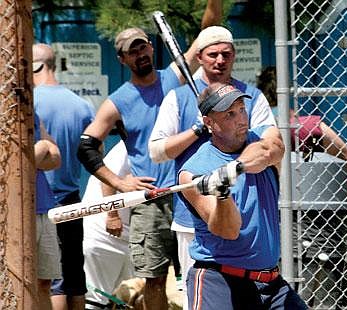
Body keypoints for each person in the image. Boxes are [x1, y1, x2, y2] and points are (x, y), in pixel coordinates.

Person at [77, 2, 222, 309]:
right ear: (122, 59)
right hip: (151, 201)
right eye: (132, 51)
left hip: (190, 192)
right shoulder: (117, 101)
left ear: (152, 49)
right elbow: (87, 147)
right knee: (153, 279)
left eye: (143, 47)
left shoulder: (175, 77)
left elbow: (207, 34)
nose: (140, 54)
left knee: (202, 271)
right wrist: (118, 182)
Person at [148, 26, 276, 306]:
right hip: (194, 210)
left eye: (226, 54)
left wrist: (232, 170)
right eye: (213, 54)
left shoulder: (250, 97)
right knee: (199, 295)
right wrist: (196, 130)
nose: (220, 60)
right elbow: (156, 151)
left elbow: (270, 145)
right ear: (200, 57)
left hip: (248, 210)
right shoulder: (179, 98)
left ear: (234, 56)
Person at [178, 82, 307, 309]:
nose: (241, 119)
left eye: (241, 109)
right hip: (220, 283)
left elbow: (273, 149)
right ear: (209, 123)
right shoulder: (193, 172)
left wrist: (234, 168)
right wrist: (222, 192)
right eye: (229, 114)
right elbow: (228, 230)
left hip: (272, 285)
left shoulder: (257, 140)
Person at [257, 66, 347, 308]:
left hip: (292, 211)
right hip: (334, 207)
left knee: (300, 270)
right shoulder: (306, 125)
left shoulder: (261, 129)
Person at [33, 43, 95, 310]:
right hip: (72, 198)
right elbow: (94, 150)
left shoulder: (29, 103)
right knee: (74, 277)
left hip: (43, 201)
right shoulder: (82, 104)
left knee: (54, 283)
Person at [81, 140, 134, 309]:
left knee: (127, 301)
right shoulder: (129, 145)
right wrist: (112, 215)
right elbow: (107, 175)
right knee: (95, 299)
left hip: (130, 237)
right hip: (103, 232)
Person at [34, 113, 62, 310]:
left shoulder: (31, 113)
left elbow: (55, 158)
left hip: (45, 207)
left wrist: (36, 156)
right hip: (13, 214)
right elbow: (15, 162)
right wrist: (42, 146)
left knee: (45, 282)